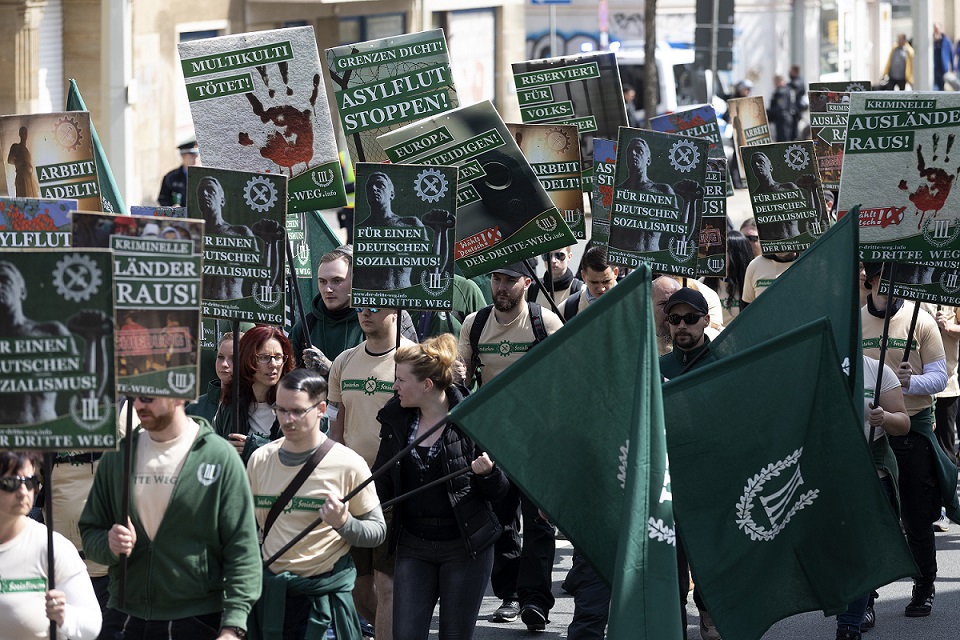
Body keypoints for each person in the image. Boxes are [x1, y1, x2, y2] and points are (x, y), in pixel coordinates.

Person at [79, 397, 261, 640]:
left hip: (198, 618)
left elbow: (242, 549)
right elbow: (90, 531)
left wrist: (233, 626)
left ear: (178, 393)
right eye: (135, 397)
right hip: (124, 614)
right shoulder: (118, 456)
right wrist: (109, 544)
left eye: (148, 398)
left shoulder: (219, 456)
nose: (138, 406)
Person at [373, 334, 508, 639]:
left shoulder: (473, 418)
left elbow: (501, 493)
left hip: (465, 547)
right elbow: (380, 480)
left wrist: (488, 474)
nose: (394, 387)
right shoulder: (396, 420)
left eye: (401, 380)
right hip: (413, 543)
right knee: (405, 634)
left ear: (427, 385)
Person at [458, 260, 563, 632]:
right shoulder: (475, 324)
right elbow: (463, 381)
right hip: (492, 441)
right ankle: (509, 594)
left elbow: (566, 382)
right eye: (496, 279)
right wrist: (457, 376)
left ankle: (536, 600)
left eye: (509, 281)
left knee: (539, 523)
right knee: (499, 522)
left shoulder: (545, 323)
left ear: (527, 283)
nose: (500, 287)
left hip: (537, 442)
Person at [247, 368, 386, 640]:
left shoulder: (349, 464)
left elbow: (377, 532)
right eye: (280, 409)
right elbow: (246, 529)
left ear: (321, 408)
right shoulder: (260, 459)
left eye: (297, 411)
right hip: (271, 598)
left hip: (324, 605)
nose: (287, 419)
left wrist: (344, 523)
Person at [861, 262, 956, 620]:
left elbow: (940, 377)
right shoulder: (855, 320)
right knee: (870, 517)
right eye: (887, 278)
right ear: (870, 280)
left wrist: (910, 382)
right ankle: (865, 599)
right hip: (868, 433)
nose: (896, 285)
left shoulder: (923, 320)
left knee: (917, 517)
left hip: (912, 428)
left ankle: (924, 585)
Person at [328, 307, 416, 640]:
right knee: (358, 587)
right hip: (353, 490)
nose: (365, 313)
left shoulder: (413, 358)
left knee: (387, 583)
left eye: (374, 306)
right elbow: (335, 431)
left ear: (395, 309)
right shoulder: (343, 362)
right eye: (360, 305)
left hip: (395, 488)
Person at [835, 355, 911, 640]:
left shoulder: (877, 370)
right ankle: (859, 602)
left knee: (862, 550)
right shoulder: (812, 363)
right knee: (840, 552)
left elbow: (903, 423)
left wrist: (885, 418)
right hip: (830, 472)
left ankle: (849, 626)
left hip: (872, 471)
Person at [1, 451, 102, 640]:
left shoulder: (53, 547)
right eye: (11, 483)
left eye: (30, 482)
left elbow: (92, 625)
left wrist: (66, 616)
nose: (23, 492)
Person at [0, 260, 74, 424]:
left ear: (22, 292)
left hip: (47, 434)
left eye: (5, 280)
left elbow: (87, 382)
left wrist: (94, 340)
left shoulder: (51, 332)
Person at [214, 325, 295, 463]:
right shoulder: (230, 405)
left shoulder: (296, 404)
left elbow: (304, 454)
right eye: (264, 357)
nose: (273, 364)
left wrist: (257, 447)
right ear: (247, 359)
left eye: (278, 357)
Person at [290, 246, 364, 374]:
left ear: (356, 281)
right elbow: (289, 378)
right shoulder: (306, 326)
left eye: (337, 281)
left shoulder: (371, 321)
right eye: (322, 282)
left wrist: (331, 369)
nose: (328, 289)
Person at [359, 172, 432, 291]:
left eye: (380, 185)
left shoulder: (410, 224)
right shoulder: (360, 230)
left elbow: (433, 263)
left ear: (391, 194)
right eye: (369, 186)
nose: (373, 189)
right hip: (373, 302)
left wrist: (441, 231)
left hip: (403, 298)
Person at [197, 175, 256, 300]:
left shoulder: (241, 233)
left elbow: (264, 274)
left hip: (235, 307)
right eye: (201, 192)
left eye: (210, 190)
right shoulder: (193, 234)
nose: (204, 194)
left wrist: (270, 243)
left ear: (222, 200)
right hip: (205, 309)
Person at [187, 331, 243, 424]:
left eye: (234, 358)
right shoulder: (195, 407)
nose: (224, 364)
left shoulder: (254, 407)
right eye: (220, 357)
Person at [562, 245, 619, 320]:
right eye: (594, 282)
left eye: (606, 281)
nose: (601, 289)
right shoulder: (567, 308)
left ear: (615, 273)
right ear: (583, 276)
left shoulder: (633, 304)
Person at [934, 306, 960, 465]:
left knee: (945, 455)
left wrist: (948, 327)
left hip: (946, 388)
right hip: (913, 387)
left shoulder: (954, 290)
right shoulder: (914, 288)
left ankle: (947, 489)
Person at [158, 140, 200, 207]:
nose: (195, 160)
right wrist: (172, 209)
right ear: (183, 156)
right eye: (191, 156)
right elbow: (163, 198)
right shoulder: (170, 177)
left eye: (196, 156)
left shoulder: (203, 176)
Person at [6, 126, 40, 198]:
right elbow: (10, 160)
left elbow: (29, 165)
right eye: (22, 133)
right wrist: (21, 163)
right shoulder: (15, 146)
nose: (24, 135)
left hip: (28, 176)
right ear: (20, 134)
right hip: (21, 175)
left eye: (25, 133)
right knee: (22, 196)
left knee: (33, 196)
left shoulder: (27, 151)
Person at [768, 75, 798, 142]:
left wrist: (767, 112)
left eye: (775, 82)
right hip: (787, 118)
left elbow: (780, 107)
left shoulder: (781, 92)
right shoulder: (788, 89)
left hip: (782, 120)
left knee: (782, 142)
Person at [933, 24, 954, 91]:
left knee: (943, 84)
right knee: (936, 85)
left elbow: (951, 53)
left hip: (943, 66)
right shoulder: (932, 40)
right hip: (935, 66)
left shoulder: (946, 40)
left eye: (937, 29)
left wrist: (953, 67)